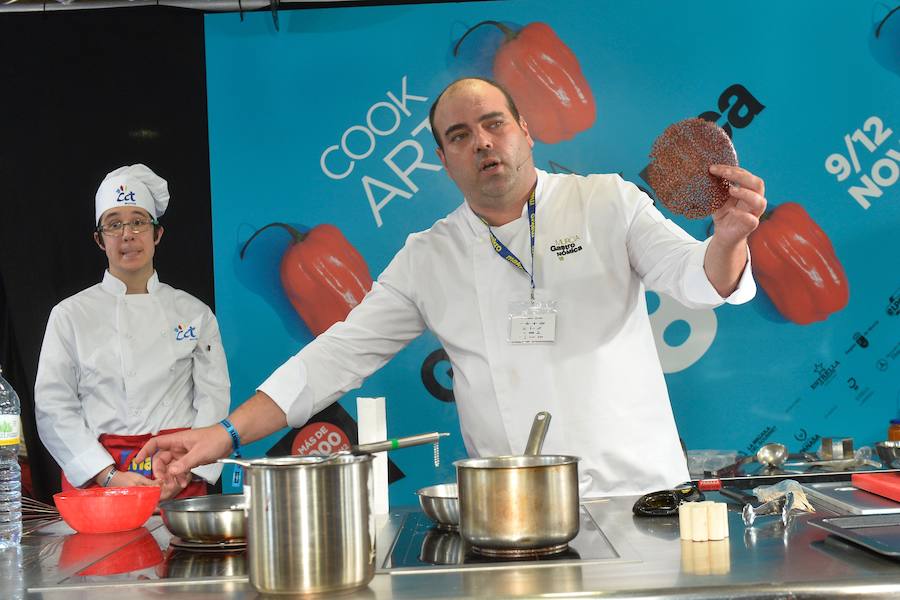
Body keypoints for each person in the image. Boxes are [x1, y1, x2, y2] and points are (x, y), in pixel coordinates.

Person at [137, 78, 766, 497]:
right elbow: (334, 357)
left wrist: (730, 239)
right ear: (443, 158)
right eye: (460, 136)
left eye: (494, 124)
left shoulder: (608, 201)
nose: (482, 142)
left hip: (641, 496)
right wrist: (224, 434)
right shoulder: (429, 256)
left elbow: (697, 278)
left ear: (526, 131)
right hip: (515, 515)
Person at [35, 164, 231, 500]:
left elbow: (214, 398)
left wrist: (187, 468)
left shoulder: (194, 313)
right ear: (99, 239)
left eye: (138, 221)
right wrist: (108, 475)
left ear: (157, 234)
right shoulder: (69, 315)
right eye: (114, 224)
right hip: (101, 481)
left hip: (178, 474)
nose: (127, 234)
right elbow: (53, 407)